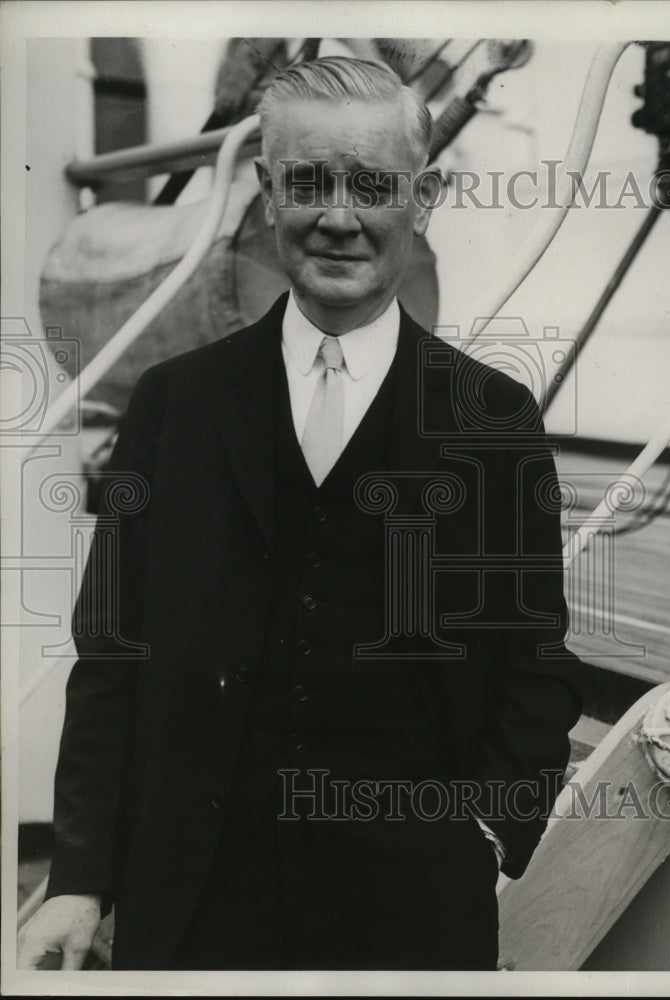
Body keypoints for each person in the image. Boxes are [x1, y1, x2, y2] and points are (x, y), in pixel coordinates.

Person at [18, 56, 581, 972]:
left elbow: (537, 666)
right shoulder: (175, 405)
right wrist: (81, 878)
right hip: (195, 910)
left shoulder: (491, 419)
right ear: (268, 190)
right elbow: (112, 656)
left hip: (411, 914)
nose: (339, 216)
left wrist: (481, 836)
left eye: (373, 184)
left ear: (424, 196)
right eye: (309, 182)